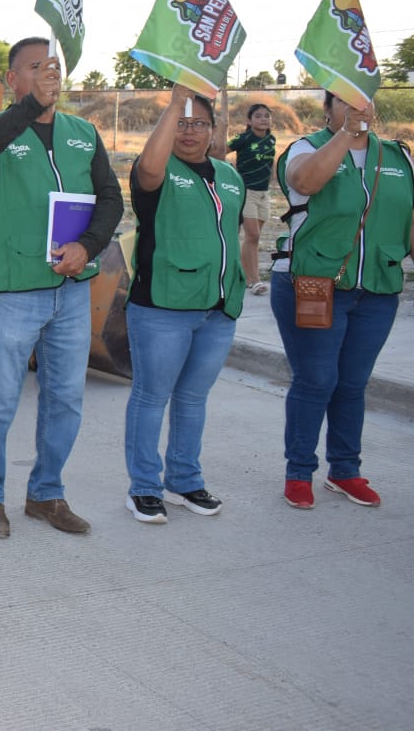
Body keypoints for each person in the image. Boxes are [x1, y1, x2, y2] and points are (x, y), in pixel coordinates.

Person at [0, 36, 123, 538]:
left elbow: (110, 198)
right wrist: (31, 107)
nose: (47, 73)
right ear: (12, 79)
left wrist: (88, 247)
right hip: (12, 291)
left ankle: (46, 494)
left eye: (52, 66)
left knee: (66, 399)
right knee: (0, 401)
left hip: (70, 290)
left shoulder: (83, 132)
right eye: (35, 67)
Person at [270, 91, 414, 509]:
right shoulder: (305, 149)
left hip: (377, 289)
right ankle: (299, 473)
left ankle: (344, 470)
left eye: (364, 100)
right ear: (327, 109)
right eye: (345, 101)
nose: (358, 108)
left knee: (352, 384)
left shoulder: (398, 157)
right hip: (314, 284)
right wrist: (346, 134)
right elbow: (305, 183)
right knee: (316, 380)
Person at [122, 89, 244, 523]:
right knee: (151, 397)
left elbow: (233, 235)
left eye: (198, 124)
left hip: (218, 310)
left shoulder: (229, 177)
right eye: (180, 123)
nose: (189, 131)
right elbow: (148, 170)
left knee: (193, 398)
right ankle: (144, 487)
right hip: (163, 308)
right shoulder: (157, 170)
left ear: (213, 130)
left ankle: (184, 480)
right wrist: (176, 102)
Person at [224, 98, 277, 295]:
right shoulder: (243, 139)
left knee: (254, 238)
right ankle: (254, 280)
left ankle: (244, 273)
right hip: (247, 192)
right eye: (258, 116)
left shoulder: (271, 139)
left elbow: (269, 165)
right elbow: (220, 152)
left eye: (266, 116)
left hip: (264, 193)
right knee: (252, 235)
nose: (263, 119)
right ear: (249, 120)